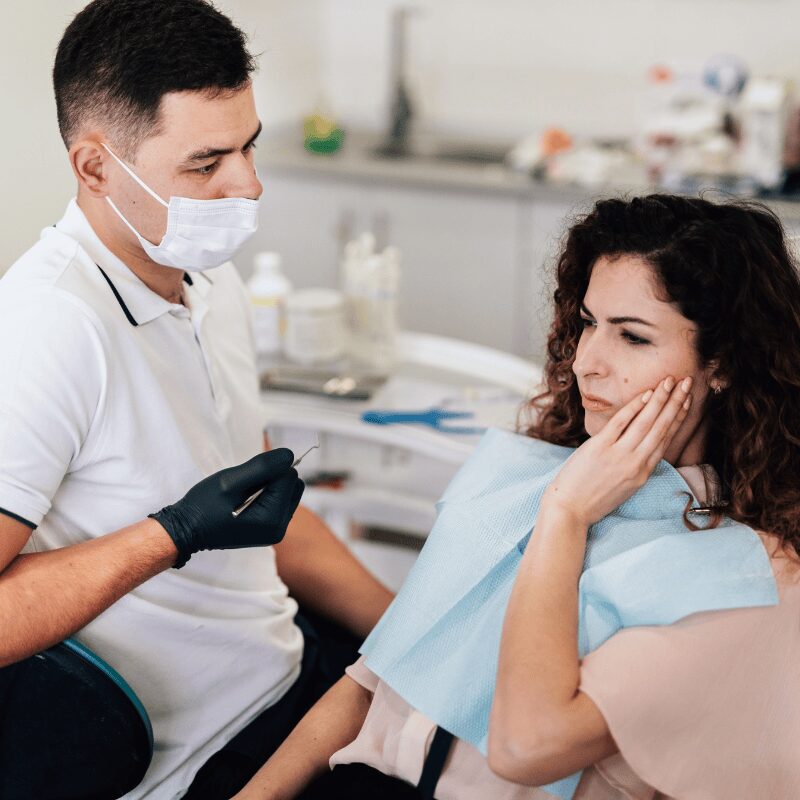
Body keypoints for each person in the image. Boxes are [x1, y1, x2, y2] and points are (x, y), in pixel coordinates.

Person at [231, 194, 800, 800]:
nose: (587, 363)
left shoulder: (745, 576)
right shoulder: (523, 476)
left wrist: (566, 515)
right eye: (587, 323)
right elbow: (375, 678)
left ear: (723, 363)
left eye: (632, 337)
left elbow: (526, 747)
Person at [0, 1, 393, 798]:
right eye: (206, 163)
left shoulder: (210, 278)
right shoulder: (49, 327)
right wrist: (170, 535)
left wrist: (407, 632)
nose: (248, 185)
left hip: (284, 669)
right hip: (198, 755)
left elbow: (260, 514)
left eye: (250, 146)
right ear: (96, 167)